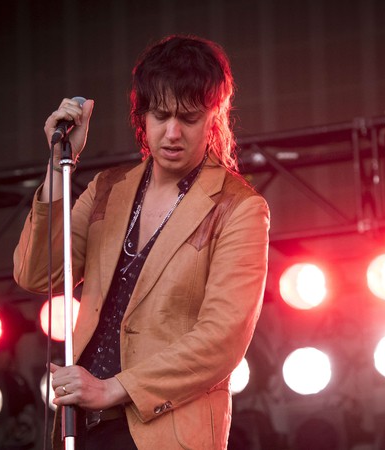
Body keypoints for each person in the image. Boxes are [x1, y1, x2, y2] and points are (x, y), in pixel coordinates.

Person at [13, 35, 270, 449]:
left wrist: (114, 388)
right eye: (161, 115)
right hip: (82, 427)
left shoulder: (238, 207)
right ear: (142, 116)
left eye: (188, 118)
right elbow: (35, 272)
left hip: (165, 432)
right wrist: (59, 164)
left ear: (213, 118)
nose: (172, 133)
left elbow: (222, 339)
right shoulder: (107, 189)